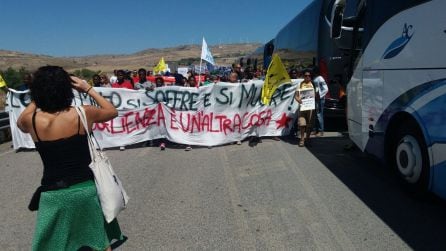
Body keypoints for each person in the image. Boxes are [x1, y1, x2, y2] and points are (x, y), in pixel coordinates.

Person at [16, 66, 124, 251]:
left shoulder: (31, 120)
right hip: (85, 190)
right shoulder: (83, 113)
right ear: (67, 88)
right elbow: (112, 111)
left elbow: (21, 119)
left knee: (53, 245)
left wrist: (39, 93)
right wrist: (87, 88)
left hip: (53, 194)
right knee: (99, 242)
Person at [295, 70, 316, 147]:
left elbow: (318, 95)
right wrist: (298, 100)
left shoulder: (314, 84)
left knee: (310, 125)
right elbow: (296, 96)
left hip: (311, 108)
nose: (307, 77)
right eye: (306, 75)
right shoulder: (300, 84)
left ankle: (308, 138)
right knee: (302, 124)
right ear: (303, 76)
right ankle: (302, 139)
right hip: (302, 107)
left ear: (311, 76)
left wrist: (315, 97)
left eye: (309, 75)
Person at [312, 67, 328, 136]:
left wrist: (320, 96)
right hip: (315, 99)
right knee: (316, 115)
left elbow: (326, 89)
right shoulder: (315, 78)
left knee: (319, 115)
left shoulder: (320, 78)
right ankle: (316, 130)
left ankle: (321, 131)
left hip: (320, 99)